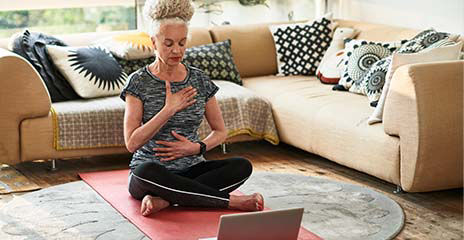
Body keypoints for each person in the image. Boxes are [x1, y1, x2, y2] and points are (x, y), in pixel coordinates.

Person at [120, 0, 264, 217]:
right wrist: (168, 109)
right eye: (168, 44)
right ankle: (232, 202)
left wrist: (196, 148)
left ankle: (166, 200)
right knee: (145, 172)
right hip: (152, 173)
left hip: (191, 169)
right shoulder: (138, 82)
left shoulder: (199, 80)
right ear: (153, 42)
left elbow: (220, 131)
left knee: (242, 166)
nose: (176, 50)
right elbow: (131, 143)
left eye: (181, 43)